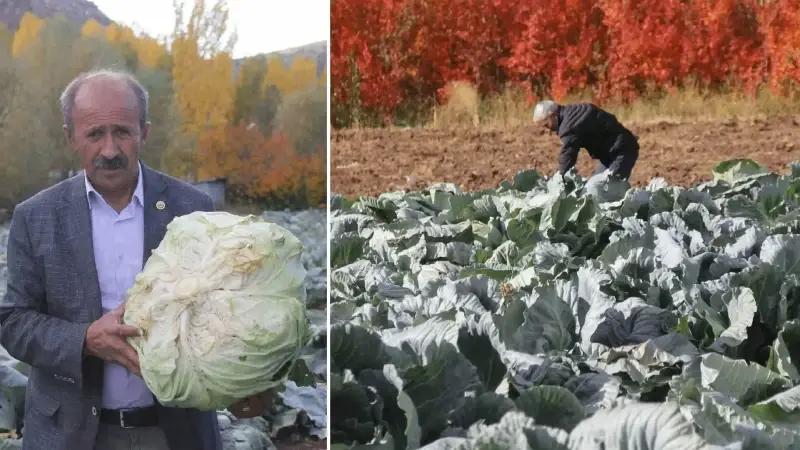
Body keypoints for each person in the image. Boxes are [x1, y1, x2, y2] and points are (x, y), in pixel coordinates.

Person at [0, 69, 267, 450]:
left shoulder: (193, 208)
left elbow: (231, 310)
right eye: (95, 134)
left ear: (144, 132)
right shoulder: (36, 217)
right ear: (70, 136)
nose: (110, 150)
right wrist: (84, 340)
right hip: (71, 434)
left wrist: (248, 379)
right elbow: (14, 322)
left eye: (123, 132)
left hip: (173, 433)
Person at [532, 100, 640, 180]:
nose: (548, 130)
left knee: (605, 190)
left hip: (622, 152)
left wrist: (560, 179)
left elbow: (568, 155)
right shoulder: (573, 111)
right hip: (610, 154)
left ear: (553, 115)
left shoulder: (568, 126)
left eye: (546, 125)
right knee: (595, 188)